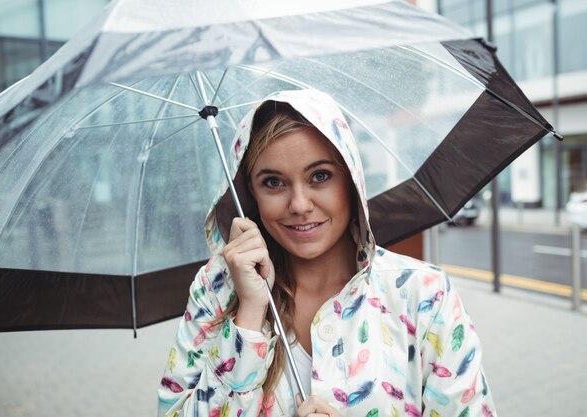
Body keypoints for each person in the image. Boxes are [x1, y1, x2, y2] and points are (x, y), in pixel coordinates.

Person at [158, 89, 496, 417]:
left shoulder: (423, 294)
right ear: (251, 195)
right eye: (273, 182)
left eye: (320, 176)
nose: (300, 205)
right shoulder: (216, 290)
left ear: (351, 181)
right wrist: (248, 315)